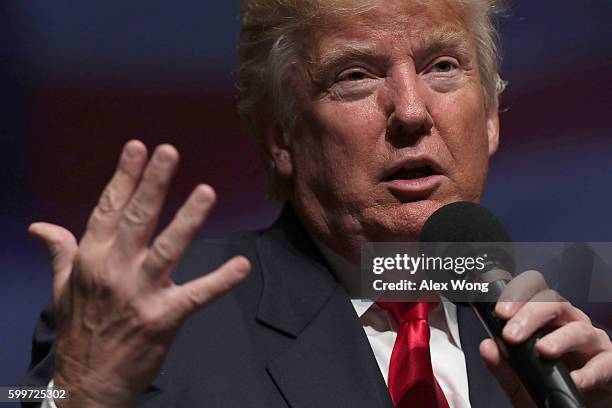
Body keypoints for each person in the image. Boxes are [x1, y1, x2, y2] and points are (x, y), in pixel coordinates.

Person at [22, 0, 612, 407]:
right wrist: (78, 393)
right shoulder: (155, 321)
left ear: (488, 119)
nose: (411, 111)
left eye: (442, 67)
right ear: (281, 137)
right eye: (355, 75)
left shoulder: (546, 346)